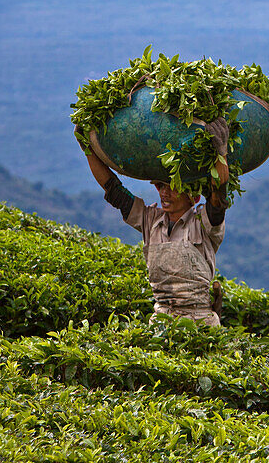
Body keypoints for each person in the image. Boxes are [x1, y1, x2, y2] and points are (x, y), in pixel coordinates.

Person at [82, 118, 234, 326]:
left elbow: (218, 196)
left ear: (194, 197)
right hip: (161, 322)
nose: (164, 193)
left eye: (172, 187)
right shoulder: (150, 220)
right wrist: (87, 147)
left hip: (200, 322)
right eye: (161, 186)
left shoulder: (203, 222)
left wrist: (220, 152)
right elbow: (113, 189)